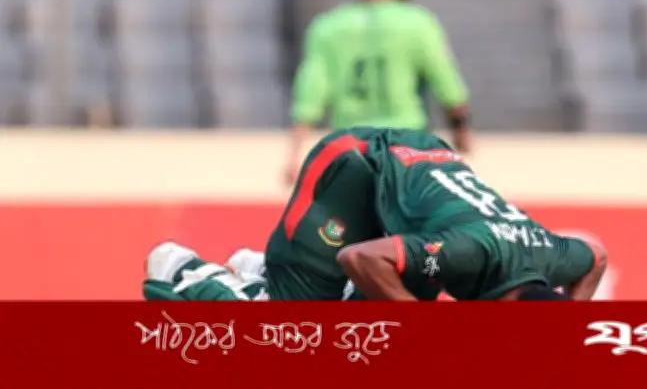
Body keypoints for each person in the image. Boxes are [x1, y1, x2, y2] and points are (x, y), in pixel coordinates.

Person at [143, 127, 606, 301]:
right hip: (356, 165)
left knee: (404, 295)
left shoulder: (553, 256)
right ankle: (184, 270)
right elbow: (361, 258)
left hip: (414, 175)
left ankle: (271, 270)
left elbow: (596, 255)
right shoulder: (462, 254)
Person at [284, 0, 471, 186]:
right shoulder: (418, 23)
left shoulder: (327, 27)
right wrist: (461, 134)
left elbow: (310, 95)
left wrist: (294, 155)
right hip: (405, 146)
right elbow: (448, 85)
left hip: (351, 148)